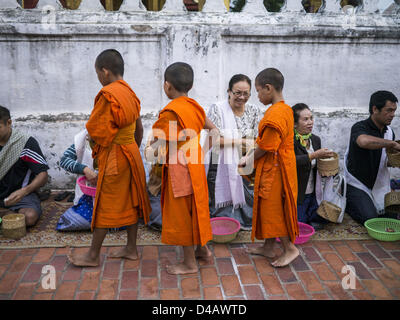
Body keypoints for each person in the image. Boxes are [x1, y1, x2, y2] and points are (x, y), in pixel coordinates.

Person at [68, 49, 151, 267]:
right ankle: (131, 248)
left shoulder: (108, 95)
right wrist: (133, 148)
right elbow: (139, 128)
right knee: (132, 199)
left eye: (97, 74)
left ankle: (93, 255)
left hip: (115, 155)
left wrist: (97, 153)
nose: (99, 79)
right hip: (131, 152)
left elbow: (97, 133)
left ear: (105, 72)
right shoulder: (130, 93)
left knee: (104, 202)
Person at [148, 62, 217, 275]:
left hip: (178, 167)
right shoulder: (195, 106)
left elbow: (158, 147)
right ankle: (202, 251)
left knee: (181, 214)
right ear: (190, 85)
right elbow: (214, 132)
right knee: (195, 208)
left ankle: (188, 263)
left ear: (167, 86)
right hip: (195, 163)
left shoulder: (170, 113)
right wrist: (201, 152)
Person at [239, 68, 299, 268]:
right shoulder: (285, 109)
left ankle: (290, 248)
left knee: (274, 209)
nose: (257, 96)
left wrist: (248, 159)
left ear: (268, 88)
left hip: (276, 168)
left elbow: (267, 146)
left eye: (258, 91)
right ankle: (268, 246)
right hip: (279, 164)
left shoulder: (276, 113)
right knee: (267, 206)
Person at [205, 74, 263, 230]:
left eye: (246, 94)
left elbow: (259, 139)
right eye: (237, 93)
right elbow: (215, 140)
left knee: (247, 196)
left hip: (246, 161)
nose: (242, 97)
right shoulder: (218, 108)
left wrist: (248, 153)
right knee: (220, 197)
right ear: (229, 91)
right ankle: (222, 223)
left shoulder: (254, 111)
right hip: (220, 162)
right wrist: (241, 141)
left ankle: (240, 223)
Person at [344, 90, 400, 225]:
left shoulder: (389, 132)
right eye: (389, 110)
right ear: (375, 109)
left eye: (394, 111)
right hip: (357, 183)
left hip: (379, 184)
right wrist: (392, 143)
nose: (393, 115)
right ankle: (348, 202)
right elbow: (363, 141)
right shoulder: (359, 127)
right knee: (370, 219)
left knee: (392, 216)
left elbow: (384, 161)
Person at [0, 106, 49, 227]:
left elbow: (42, 174)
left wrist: (24, 191)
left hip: (18, 197)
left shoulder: (25, 143)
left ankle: (5, 216)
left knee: (29, 217)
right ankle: (9, 217)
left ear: (9, 123)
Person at [292, 103, 334, 230]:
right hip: (298, 192)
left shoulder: (315, 140)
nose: (310, 122)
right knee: (300, 224)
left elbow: (317, 163)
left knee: (325, 218)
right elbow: (290, 161)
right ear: (294, 124)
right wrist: (314, 155)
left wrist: (328, 163)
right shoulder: (290, 140)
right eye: (305, 119)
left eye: (311, 118)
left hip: (313, 191)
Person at [56, 129, 98, 231]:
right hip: (86, 194)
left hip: (110, 194)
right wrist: (85, 169)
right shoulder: (82, 142)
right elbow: (64, 161)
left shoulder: (114, 142)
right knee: (80, 220)